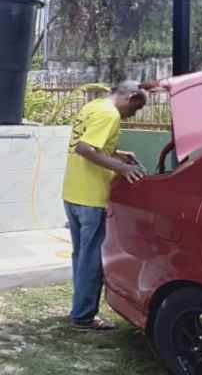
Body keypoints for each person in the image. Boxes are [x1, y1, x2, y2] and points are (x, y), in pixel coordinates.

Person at [62, 80, 148, 330]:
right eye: (136, 108)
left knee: (81, 255)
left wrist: (116, 153)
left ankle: (79, 309)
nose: (133, 114)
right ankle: (83, 317)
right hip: (92, 197)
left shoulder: (94, 106)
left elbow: (89, 142)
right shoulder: (110, 114)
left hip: (72, 193)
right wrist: (122, 168)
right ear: (130, 97)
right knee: (91, 259)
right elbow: (84, 147)